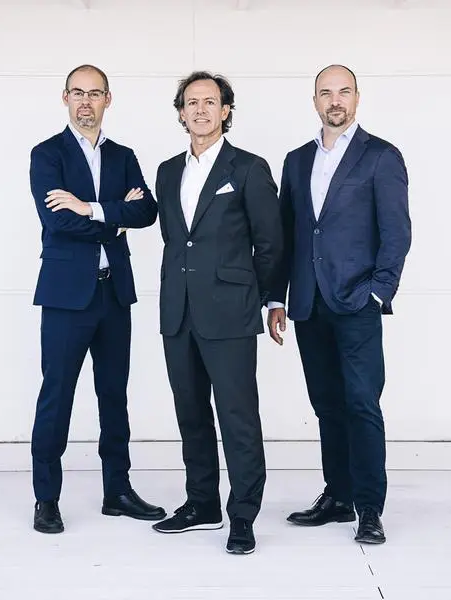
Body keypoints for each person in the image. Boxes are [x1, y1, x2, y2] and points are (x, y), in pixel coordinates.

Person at [267, 64, 411, 545]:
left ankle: (369, 508)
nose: (335, 100)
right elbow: (287, 235)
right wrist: (277, 296)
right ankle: (339, 495)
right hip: (309, 303)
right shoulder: (296, 160)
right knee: (327, 404)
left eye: (343, 91)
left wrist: (378, 292)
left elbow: (396, 233)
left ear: (356, 98)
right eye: (326, 92)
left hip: (357, 302)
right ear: (315, 101)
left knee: (362, 404)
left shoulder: (381, 156)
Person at [28, 64, 165, 534]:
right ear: (65, 98)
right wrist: (114, 220)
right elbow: (57, 221)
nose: (85, 101)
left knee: (114, 395)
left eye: (95, 93)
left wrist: (90, 207)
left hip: (113, 294)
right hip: (66, 297)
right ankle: (46, 498)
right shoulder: (47, 154)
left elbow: (147, 210)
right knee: (57, 395)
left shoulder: (123, 156)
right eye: (77, 93)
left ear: (108, 99)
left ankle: (117, 492)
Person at [151, 71, 282, 554]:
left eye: (210, 102)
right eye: (192, 102)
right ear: (180, 113)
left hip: (230, 311)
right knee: (191, 414)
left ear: (226, 111)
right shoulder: (167, 171)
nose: (201, 110)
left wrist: (272, 299)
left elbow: (270, 241)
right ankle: (201, 503)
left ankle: (242, 515)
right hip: (178, 311)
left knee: (237, 416)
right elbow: (175, 239)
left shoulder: (247, 168)